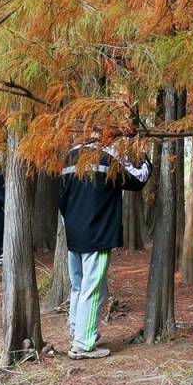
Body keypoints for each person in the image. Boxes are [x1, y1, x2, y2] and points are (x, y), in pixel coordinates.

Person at [59, 141, 151, 360]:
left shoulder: (69, 156)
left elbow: (61, 199)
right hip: (97, 234)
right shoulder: (108, 157)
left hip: (74, 234)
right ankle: (83, 344)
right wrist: (145, 157)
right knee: (93, 290)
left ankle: (77, 333)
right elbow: (138, 179)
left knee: (79, 287)